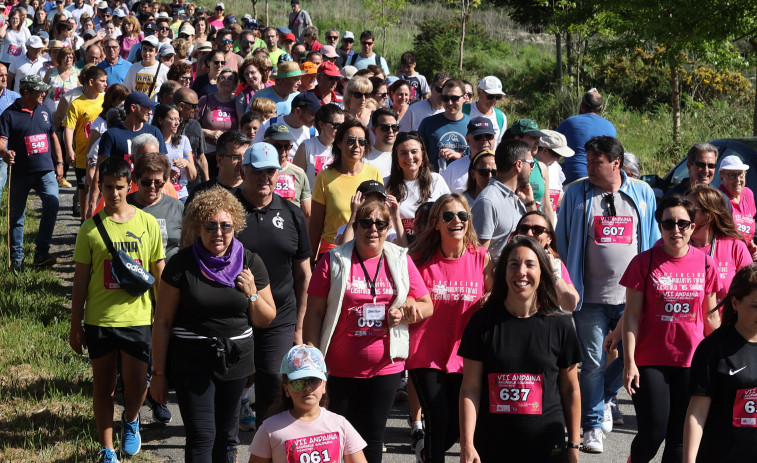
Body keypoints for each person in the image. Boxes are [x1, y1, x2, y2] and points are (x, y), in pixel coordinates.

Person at [150, 185, 275, 463]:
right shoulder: (180, 264)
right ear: (198, 226)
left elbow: (266, 318)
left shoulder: (250, 262)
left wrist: (252, 293)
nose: (218, 233)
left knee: (226, 436)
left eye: (226, 226)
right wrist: (158, 372)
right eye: (210, 226)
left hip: (235, 363)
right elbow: (162, 322)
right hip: (191, 362)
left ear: (236, 226)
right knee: (202, 435)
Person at [304, 197, 433, 463]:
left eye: (380, 223)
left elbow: (426, 305)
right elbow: (314, 313)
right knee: (339, 436)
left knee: (372, 438)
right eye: (366, 222)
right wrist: (312, 358)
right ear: (357, 224)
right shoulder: (333, 260)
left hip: (386, 367)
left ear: (388, 228)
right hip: (340, 367)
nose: (373, 229)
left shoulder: (400, 259)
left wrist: (408, 308)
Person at [556, 135, 660, 453]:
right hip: (590, 298)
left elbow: (653, 243)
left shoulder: (642, 193)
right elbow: (562, 241)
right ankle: (591, 426)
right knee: (592, 362)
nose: (589, 167)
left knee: (634, 355)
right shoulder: (575, 193)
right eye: (587, 161)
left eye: (595, 162)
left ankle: (603, 398)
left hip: (633, 297)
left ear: (616, 163)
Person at [70, 157, 164, 463]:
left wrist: (163, 318)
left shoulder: (147, 223)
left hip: (138, 318)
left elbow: (158, 273)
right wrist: (75, 323)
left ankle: (132, 418)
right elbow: (81, 280)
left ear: (130, 185)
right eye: (107, 187)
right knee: (104, 387)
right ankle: (108, 448)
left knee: (138, 385)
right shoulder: (90, 229)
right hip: (100, 319)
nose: (113, 194)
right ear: (101, 187)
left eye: (119, 187)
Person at [458, 236, 582, 463]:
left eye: (529, 264)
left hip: (547, 447)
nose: (521, 272)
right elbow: (470, 389)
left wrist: (573, 445)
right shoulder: (481, 322)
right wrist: (467, 444)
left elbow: (570, 389)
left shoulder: (561, 325)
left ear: (542, 272)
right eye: (513, 264)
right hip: (493, 447)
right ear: (503, 272)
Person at [620, 194, 720, 462]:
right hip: (651, 361)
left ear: (692, 226)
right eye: (668, 224)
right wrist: (629, 362)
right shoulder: (643, 262)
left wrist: (722, 358)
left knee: (679, 439)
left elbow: (710, 317)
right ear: (660, 225)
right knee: (653, 434)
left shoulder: (706, 263)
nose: (676, 230)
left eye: (683, 224)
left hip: (692, 361)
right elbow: (631, 315)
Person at [406, 194, 493, 463]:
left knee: (456, 426)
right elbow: (405, 294)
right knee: (438, 419)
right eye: (448, 216)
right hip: (425, 353)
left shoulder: (481, 258)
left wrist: (492, 297)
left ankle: (424, 452)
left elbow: (497, 294)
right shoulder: (419, 259)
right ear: (436, 224)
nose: (456, 220)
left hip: (465, 356)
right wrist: (409, 302)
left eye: (462, 215)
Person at [235, 141, 313, 430]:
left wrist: (299, 325)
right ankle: (227, 444)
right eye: (257, 171)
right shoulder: (228, 208)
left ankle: (266, 446)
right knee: (232, 380)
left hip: (279, 315)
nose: (264, 178)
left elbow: (304, 272)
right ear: (243, 171)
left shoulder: (292, 213)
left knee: (271, 377)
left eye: (270, 171)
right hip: (234, 313)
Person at [683, 263, 757, 463]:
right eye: (755, 306)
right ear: (735, 303)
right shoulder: (713, 348)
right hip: (720, 454)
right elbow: (697, 413)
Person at [248, 344, 368, 463]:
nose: (307, 387)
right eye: (298, 382)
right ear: (287, 389)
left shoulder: (340, 424)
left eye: (313, 380)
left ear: (324, 385)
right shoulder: (270, 428)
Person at [0, 74, 64, 269]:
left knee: (52, 205)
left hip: (45, 171)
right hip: (19, 173)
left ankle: (41, 252)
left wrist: (59, 161)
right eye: (40, 90)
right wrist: (4, 152)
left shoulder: (44, 110)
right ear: (27, 92)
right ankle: (16, 261)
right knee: (16, 218)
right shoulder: (9, 114)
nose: (44, 93)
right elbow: (1, 142)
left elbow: (53, 136)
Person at [308, 119, 383, 258]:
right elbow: (315, 226)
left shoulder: (374, 174)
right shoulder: (324, 177)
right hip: (332, 252)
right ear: (339, 143)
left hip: (366, 250)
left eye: (361, 142)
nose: (356, 146)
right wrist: (310, 261)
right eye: (350, 141)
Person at [471, 139, 537, 263]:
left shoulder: (519, 197)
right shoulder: (488, 201)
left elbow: (538, 233)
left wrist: (529, 203)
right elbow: (479, 256)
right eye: (531, 164)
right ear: (519, 165)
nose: (532, 169)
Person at [687, 184, 752, 302]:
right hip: (685, 320)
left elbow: (750, 292)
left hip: (725, 319)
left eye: (690, 209)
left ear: (709, 215)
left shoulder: (735, 246)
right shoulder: (672, 245)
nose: (684, 213)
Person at [63, 65, 107, 221]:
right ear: (91, 82)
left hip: (103, 154)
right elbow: (69, 128)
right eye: (102, 81)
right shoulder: (77, 104)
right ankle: (84, 219)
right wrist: (69, 150)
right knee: (84, 187)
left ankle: (99, 218)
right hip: (83, 154)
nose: (105, 84)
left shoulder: (105, 100)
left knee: (101, 187)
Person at [385, 131, 450, 236]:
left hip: (431, 243)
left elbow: (448, 212)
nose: (409, 157)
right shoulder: (386, 184)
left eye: (414, 151)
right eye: (403, 153)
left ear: (422, 154)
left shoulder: (437, 180)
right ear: (396, 157)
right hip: (399, 244)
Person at [514, 211, 580, 312]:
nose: (529, 234)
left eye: (538, 230)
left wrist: (554, 273)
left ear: (549, 238)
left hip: (547, 323)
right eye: (524, 229)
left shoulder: (556, 265)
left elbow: (570, 305)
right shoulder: (507, 261)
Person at [127, 152, 183, 260]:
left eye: (158, 183)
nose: (152, 187)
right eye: (146, 182)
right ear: (136, 180)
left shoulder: (176, 207)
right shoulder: (124, 206)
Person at [556, 88, 617, 184]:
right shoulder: (610, 127)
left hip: (573, 177)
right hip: (600, 178)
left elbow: (551, 144)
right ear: (601, 109)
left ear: (582, 106)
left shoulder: (570, 122)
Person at [184, 131, 251, 208]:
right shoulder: (201, 195)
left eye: (246, 156)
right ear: (219, 160)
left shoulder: (255, 190)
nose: (242, 162)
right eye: (236, 157)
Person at [417, 79, 471, 173]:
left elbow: (479, 156)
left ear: (465, 97)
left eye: (454, 98)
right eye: (445, 98)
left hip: (464, 182)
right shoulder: (428, 123)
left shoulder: (472, 124)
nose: (450, 103)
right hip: (435, 182)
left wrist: (459, 155)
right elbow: (418, 154)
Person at [196, 67, 239, 179]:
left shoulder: (238, 102)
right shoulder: (205, 100)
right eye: (222, 78)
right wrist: (210, 133)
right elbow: (193, 127)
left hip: (229, 154)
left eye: (230, 79)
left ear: (235, 84)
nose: (225, 81)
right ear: (217, 81)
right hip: (207, 153)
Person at [292, 103, 343, 189]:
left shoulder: (343, 148)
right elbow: (296, 181)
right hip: (311, 200)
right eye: (336, 125)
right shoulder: (306, 147)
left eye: (343, 126)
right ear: (321, 124)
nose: (340, 129)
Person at [153, 103, 196, 202]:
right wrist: (166, 175)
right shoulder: (152, 143)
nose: (177, 123)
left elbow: (193, 176)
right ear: (160, 120)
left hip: (181, 196)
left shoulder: (183, 140)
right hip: (160, 196)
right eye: (173, 119)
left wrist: (187, 163)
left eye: (178, 119)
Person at [442, 117, 497, 194]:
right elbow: (443, 198)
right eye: (478, 137)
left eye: (489, 136)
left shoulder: (504, 167)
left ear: (494, 138)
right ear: (468, 140)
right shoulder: (453, 168)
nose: (484, 141)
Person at [717, 155, 757, 258]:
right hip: (726, 256)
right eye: (732, 175)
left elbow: (748, 225)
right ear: (722, 177)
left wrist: (751, 244)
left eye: (741, 175)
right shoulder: (718, 198)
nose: (738, 180)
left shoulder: (748, 194)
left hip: (744, 254)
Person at [534, 130, 574, 217]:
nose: (558, 160)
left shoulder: (555, 167)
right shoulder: (526, 167)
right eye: (557, 156)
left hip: (550, 225)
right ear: (545, 151)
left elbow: (558, 197)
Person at [461, 76, 507, 146]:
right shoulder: (463, 110)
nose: (494, 100)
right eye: (490, 96)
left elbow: (499, 146)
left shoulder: (501, 117)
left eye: (498, 97)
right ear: (479, 92)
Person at [0, 63, 20, 190]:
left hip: (5, 153)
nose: (4, 79)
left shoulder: (14, 98)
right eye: (0, 75)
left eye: (6, 75)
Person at [364, 107, 398, 178]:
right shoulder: (363, 156)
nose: (391, 131)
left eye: (394, 127)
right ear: (373, 130)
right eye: (385, 127)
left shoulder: (402, 156)